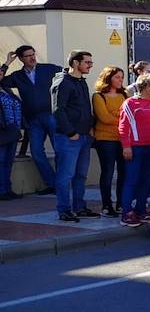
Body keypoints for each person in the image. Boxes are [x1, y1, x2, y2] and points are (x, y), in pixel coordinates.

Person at [1, 45, 61, 193]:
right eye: (28, 56)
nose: (32, 58)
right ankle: (52, 183)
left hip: (51, 115)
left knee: (60, 150)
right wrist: (7, 63)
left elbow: (69, 75)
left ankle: (62, 183)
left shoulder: (48, 69)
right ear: (21, 58)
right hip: (33, 119)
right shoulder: (17, 76)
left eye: (33, 54)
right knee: (36, 152)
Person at [52, 50, 96, 222]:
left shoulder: (81, 81)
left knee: (81, 175)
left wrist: (90, 127)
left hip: (84, 136)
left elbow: (84, 108)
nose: (90, 65)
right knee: (65, 176)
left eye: (91, 62)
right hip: (68, 137)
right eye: (87, 62)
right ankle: (64, 210)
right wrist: (70, 132)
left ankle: (80, 207)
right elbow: (58, 110)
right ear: (76, 63)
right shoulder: (63, 82)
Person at [118, 73, 150, 226]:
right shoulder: (130, 103)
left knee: (146, 180)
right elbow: (123, 126)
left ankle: (141, 210)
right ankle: (127, 212)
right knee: (131, 179)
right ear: (146, 87)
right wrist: (126, 146)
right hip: (136, 147)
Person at [91, 66, 129, 217]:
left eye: (122, 77)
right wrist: (120, 116)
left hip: (123, 139)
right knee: (108, 172)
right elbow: (104, 118)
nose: (120, 80)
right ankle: (107, 205)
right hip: (105, 139)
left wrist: (115, 114)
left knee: (124, 172)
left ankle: (121, 203)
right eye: (117, 77)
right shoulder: (98, 96)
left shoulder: (124, 95)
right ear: (108, 78)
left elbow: (129, 115)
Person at [0, 84, 21, 200]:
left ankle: (8, 189)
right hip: (2, 132)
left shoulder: (7, 90)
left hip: (12, 131)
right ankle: (2, 191)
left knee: (8, 162)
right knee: (1, 162)